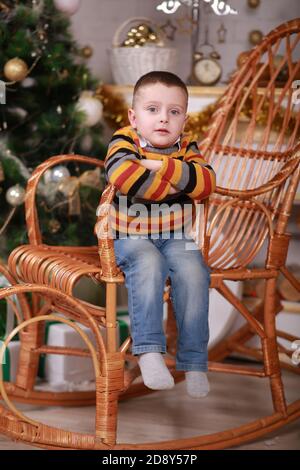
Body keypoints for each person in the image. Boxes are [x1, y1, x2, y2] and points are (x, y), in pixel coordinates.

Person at [104, 71, 216, 398]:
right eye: (152, 109)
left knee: (195, 273)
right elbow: (125, 176)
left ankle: (194, 361)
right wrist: (180, 181)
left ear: (184, 120)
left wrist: (159, 167)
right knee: (149, 264)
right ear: (134, 117)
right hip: (130, 235)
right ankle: (149, 351)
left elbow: (207, 184)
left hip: (175, 235)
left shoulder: (188, 146)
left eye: (174, 112)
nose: (163, 119)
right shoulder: (124, 140)